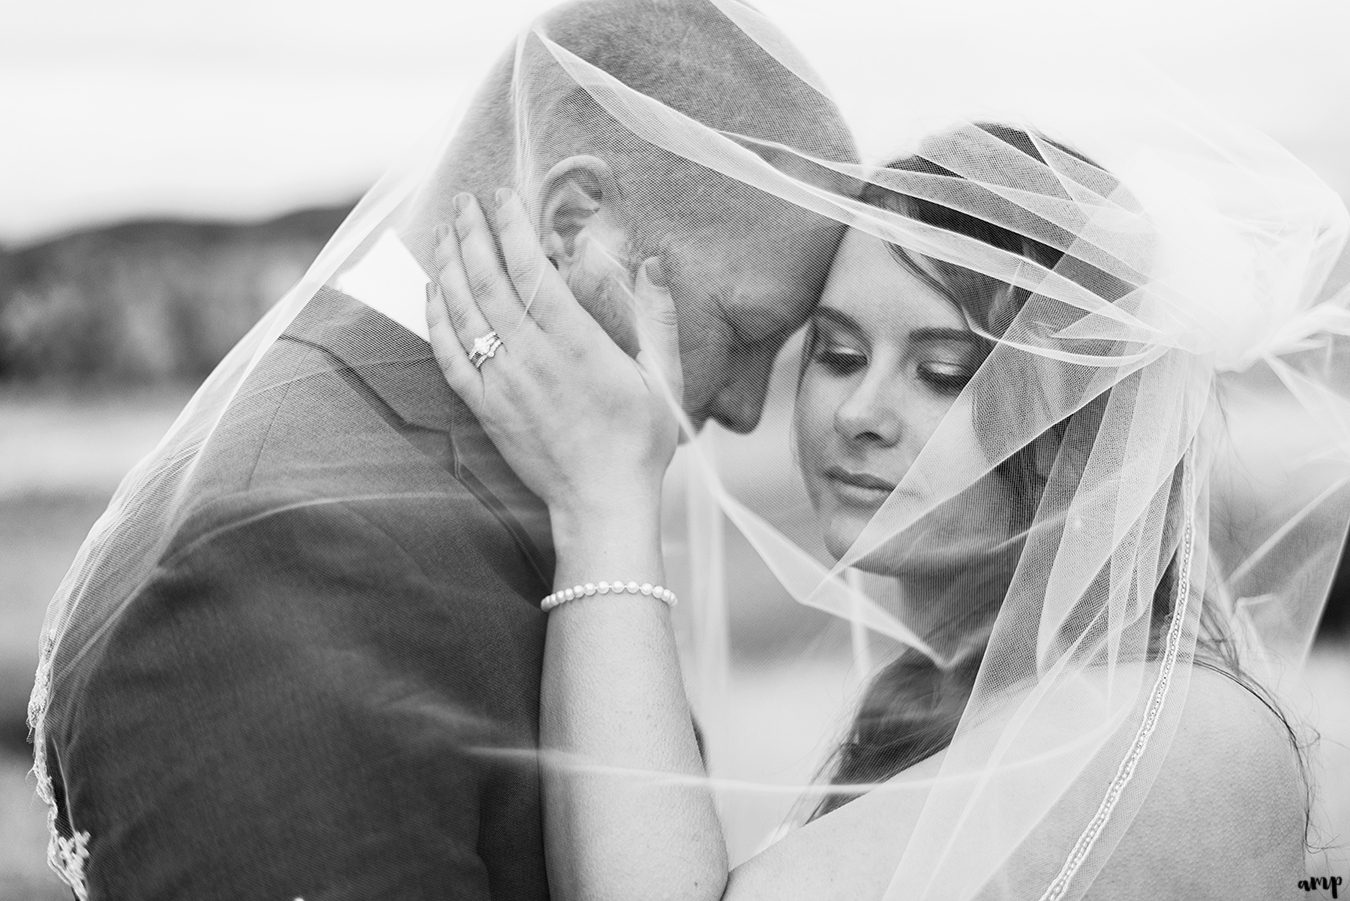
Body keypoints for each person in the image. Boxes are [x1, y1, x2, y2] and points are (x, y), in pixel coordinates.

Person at [26, 1, 854, 898]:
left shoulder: (515, 472)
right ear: (574, 223)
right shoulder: (277, 561)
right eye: (744, 331)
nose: (742, 407)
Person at [426, 117, 1347, 900]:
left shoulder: (1176, 729)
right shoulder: (930, 701)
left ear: (1080, 421)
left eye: (942, 372)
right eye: (835, 353)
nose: (861, 414)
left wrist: (608, 499)